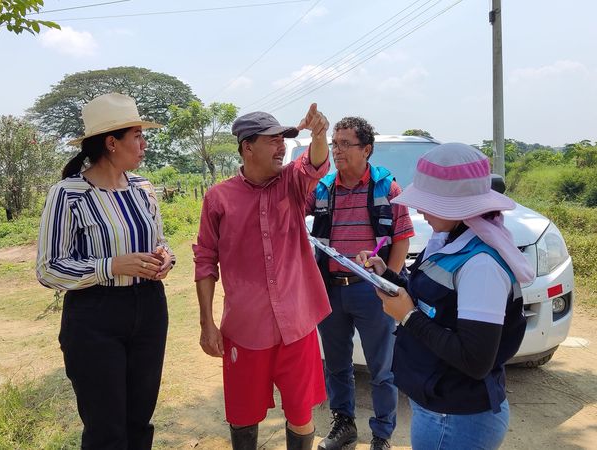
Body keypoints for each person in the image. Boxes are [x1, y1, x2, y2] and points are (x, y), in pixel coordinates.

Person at [358, 143, 535, 450]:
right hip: (440, 407)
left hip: (454, 420)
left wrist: (408, 316)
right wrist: (387, 275)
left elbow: (475, 360)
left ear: (457, 206)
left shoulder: (481, 266)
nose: (420, 210)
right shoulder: (450, 240)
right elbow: (434, 300)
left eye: (429, 203)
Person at [36, 93, 175, 449]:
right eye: (137, 136)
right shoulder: (68, 194)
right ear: (112, 143)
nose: (144, 144)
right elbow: (49, 268)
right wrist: (110, 266)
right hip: (94, 316)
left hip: (150, 307)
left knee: (139, 420)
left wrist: (165, 258)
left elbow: (160, 241)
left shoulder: (143, 189)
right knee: (105, 429)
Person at [193, 104, 331, 450]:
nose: (282, 147)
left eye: (283, 139)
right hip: (246, 328)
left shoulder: (292, 183)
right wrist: (207, 322)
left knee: (300, 412)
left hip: (297, 325)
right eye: (272, 140)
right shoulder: (218, 198)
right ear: (248, 147)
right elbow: (205, 260)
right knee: (243, 414)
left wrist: (319, 135)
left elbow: (315, 164)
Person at [307, 117, 414, 450]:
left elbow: (402, 239)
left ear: (366, 149)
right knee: (337, 365)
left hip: (372, 292)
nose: (337, 151)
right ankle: (344, 425)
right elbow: (292, 205)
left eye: (345, 144)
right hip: (331, 289)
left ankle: (382, 435)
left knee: (383, 369)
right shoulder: (323, 188)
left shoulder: (387, 188)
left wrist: (388, 283)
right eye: (334, 144)